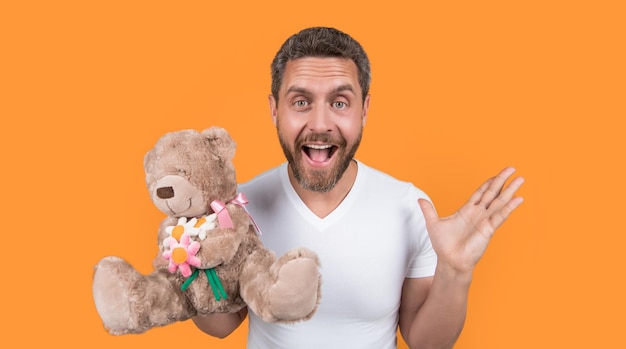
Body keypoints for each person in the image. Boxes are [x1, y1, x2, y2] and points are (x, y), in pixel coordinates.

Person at [192, 26, 524, 349]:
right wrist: (190, 255)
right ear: (274, 110)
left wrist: (455, 271)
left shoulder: (409, 207)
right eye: (301, 102)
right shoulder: (238, 210)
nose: (320, 124)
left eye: (339, 103)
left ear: (364, 110)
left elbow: (427, 343)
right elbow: (220, 326)